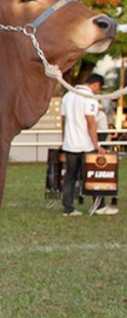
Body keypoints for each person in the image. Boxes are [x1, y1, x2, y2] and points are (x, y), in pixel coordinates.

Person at [60, 73, 104, 216]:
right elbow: (91, 122)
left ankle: (68, 207)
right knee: (92, 175)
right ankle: (99, 206)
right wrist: (96, 144)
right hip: (85, 144)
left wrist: (64, 139)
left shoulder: (67, 96)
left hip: (70, 144)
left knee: (70, 177)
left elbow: (63, 121)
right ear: (96, 84)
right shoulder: (90, 98)